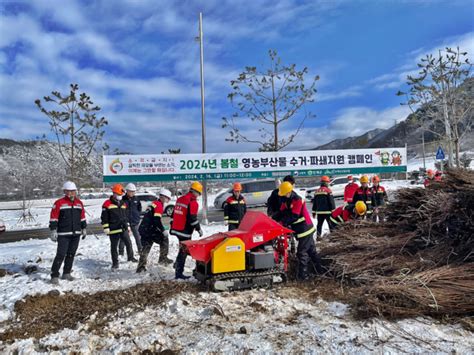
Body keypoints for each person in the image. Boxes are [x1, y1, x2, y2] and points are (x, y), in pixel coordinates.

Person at [273, 181, 324, 280]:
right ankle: (320, 270)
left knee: (301, 252)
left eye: (284, 194)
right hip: (301, 231)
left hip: (305, 229)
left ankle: (303, 276)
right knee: (312, 252)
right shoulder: (285, 200)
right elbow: (281, 212)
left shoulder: (297, 200)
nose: (283, 196)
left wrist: (283, 223)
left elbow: (294, 216)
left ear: (289, 192)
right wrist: (273, 218)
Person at [49, 181, 87, 284]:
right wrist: (53, 230)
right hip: (63, 234)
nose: (71, 193)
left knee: (71, 254)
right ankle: (54, 275)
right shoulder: (59, 203)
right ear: (65, 191)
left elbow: (82, 217)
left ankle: (66, 273)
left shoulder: (79, 203)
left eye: (73, 191)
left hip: (76, 234)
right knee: (61, 254)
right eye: (69, 191)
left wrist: (84, 228)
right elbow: (53, 218)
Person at [170, 181, 204, 279]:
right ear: (195, 192)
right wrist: (198, 229)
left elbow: (173, 214)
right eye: (198, 193)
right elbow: (192, 219)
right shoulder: (193, 202)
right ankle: (179, 273)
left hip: (176, 229)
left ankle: (177, 265)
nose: (198, 196)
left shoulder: (180, 199)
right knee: (184, 251)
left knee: (183, 249)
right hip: (184, 231)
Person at [101, 184, 137, 269]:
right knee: (114, 247)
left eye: (121, 195)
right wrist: (106, 227)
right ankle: (115, 263)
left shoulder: (123, 203)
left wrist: (127, 225)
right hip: (113, 229)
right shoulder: (107, 203)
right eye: (118, 194)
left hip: (123, 228)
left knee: (129, 243)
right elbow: (104, 217)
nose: (120, 196)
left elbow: (125, 216)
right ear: (114, 193)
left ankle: (130, 257)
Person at [137, 189, 174, 272]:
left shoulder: (154, 203)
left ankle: (141, 267)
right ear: (162, 197)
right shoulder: (158, 205)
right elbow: (156, 220)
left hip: (145, 228)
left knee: (146, 247)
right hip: (149, 229)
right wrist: (163, 230)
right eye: (167, 198)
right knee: (164, 238)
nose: (168, 200)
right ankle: (163, 258)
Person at [119, 183, 142, 255]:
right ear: (127, 191)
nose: (132, 193)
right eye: (131, 191)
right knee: (123, 238)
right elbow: (120, 210)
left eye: (133, 191)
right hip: (125, 222)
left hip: (135, 222)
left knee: (137, 237)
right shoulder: (122, 200)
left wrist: (137, 216)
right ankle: (121, 252)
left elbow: (139, 208)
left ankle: (140, 250)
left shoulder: (136, 199)